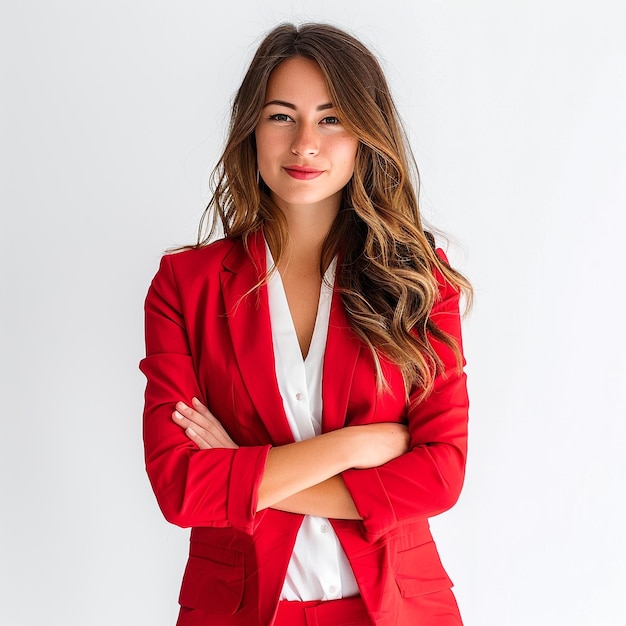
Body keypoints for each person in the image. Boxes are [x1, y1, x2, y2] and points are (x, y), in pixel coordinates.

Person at [140, 22, 472, 626]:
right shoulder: (182, 286)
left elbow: (440, 473)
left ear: (365, 134)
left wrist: (242, 469)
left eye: (331, 118)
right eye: (281, 116)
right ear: (251, 128)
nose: (304, 144)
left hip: (395, 612)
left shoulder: (418, 279)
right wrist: (358, 445)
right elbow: (181, 488)